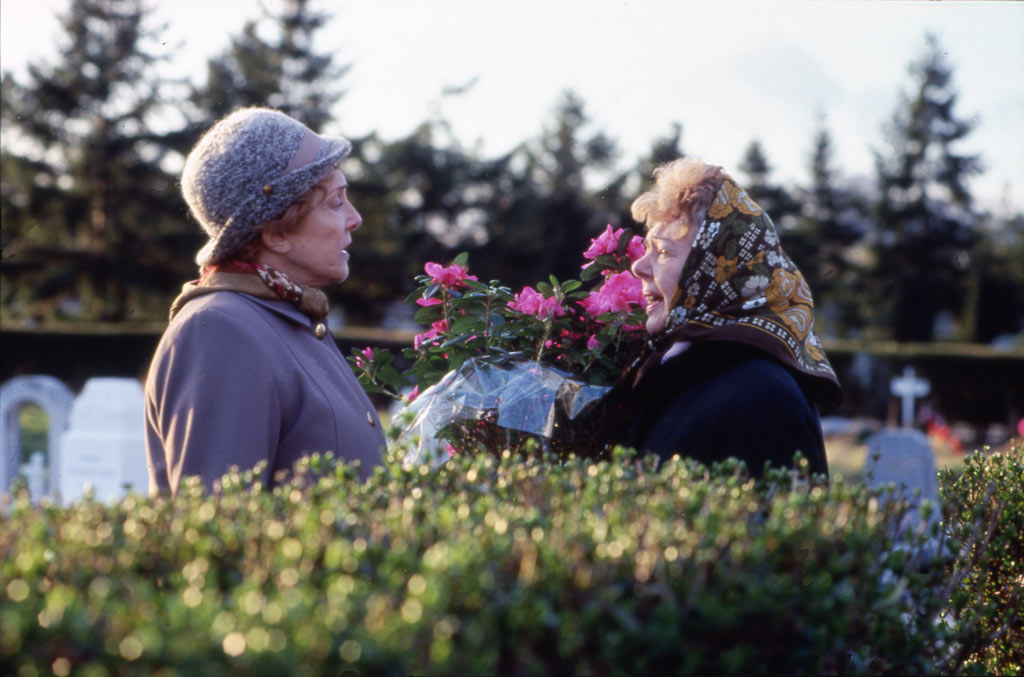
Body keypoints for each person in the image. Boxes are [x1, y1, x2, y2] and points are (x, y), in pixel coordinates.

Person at [144, 107, 386, 495]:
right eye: (336, 202)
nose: (354, 219)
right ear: (275, 233)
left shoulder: (284, 317)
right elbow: (217, 528)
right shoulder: (221, 331)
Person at [613, 157, 842, 477]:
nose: (639, 267)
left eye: (663, 252)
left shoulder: (763, 397)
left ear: (719, 270)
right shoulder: (686, 368)